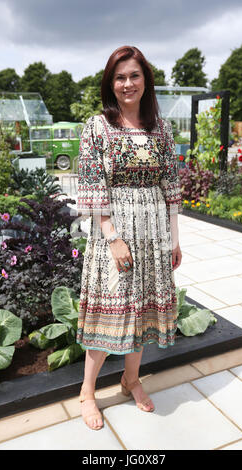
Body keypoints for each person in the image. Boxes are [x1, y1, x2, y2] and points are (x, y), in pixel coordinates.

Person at [76, 45, 183, 430]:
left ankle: (130, 380)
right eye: (119, 77)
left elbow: (171, 186)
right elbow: (92, 185)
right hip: (116, 231)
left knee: (141, 310)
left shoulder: (162, 129)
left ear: (146, 80)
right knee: (112, 308)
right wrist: (112, 237)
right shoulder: (98, 127)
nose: (127, 84)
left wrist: (173, 238)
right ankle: (87, 392)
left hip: (154, 229)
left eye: (134, 75)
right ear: (110, 83)